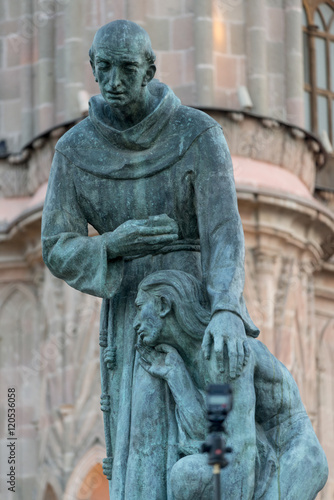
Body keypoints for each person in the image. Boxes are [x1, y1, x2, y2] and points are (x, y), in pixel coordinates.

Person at [41, 20, 259, 499]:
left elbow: (224, 232)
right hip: (134, 316)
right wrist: (114, 244)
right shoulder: (75, 151)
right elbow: (55, 244)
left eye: (127, 68)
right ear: (92, 69)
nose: (114, 82)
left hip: (198, 305)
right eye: (104, 69)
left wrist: (227, 309)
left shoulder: (198, 134)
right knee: (140, 444)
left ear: (150, 70)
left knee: (216, 443)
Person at [134, 270, 329, 500]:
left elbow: (242, 450)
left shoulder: (225, 349)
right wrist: (177, 377)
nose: (135, 322)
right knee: (187, 475)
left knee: (190, 475)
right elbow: (209, 432)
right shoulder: (192, 359)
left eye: (139, 308)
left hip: (293, 455)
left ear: (163, 305)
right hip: (258, 449)